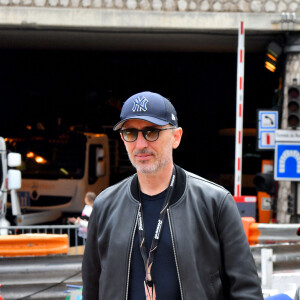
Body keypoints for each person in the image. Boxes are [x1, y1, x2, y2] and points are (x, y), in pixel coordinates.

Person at [82, 91, 263, 300]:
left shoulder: (215, 202)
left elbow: (246, 290)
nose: (140, 144)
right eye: (130, 133)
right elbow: (91, 288)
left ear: (176, 137)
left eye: (151, 132)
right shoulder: (105, 205)